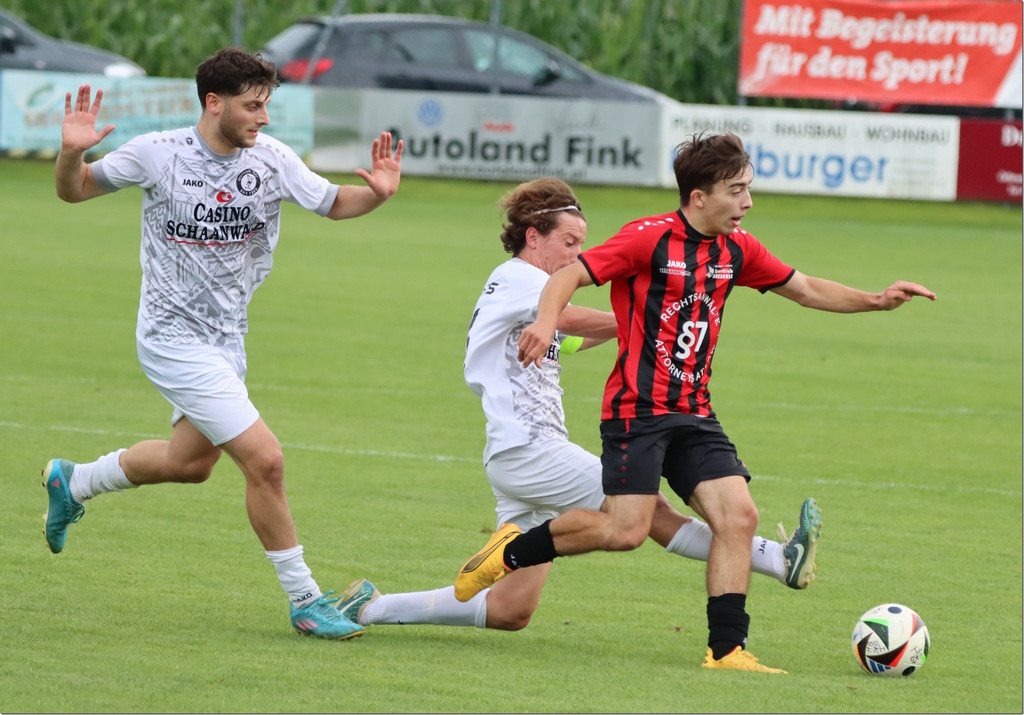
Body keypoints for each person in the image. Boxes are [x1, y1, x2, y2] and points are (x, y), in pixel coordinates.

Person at [454, 133, 936, 673]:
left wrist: (876, 300)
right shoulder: (648, 238)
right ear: (699, 196)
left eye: (748, 189)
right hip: (637, 411)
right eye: (737, 191)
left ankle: (727, 650)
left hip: (695, 411)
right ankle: (509, 553)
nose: (747, 202)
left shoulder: (739, 248)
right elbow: (568, 275)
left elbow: (804, 288)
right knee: (626, 531)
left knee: (740, 516)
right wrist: (547, 322)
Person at [333, 178, 820, 633]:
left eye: (581, 244)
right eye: (569, 242)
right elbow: (569, 316)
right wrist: (647, 315)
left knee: (510, 610)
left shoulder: (528, 296)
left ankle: (372, 607)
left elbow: (571, 337)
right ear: (533, 237)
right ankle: (778, 559)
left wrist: (638, 326)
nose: (577, 255)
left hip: (520, 457)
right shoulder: (520, 278)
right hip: (530, 449)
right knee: (644, 512)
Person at [44, 48, 403, 640]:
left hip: (227, 339)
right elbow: (75, 189)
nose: (264, 117)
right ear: (214, 102)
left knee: (190, 464)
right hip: (171, 339)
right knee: (266, 461)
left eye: (267, 105)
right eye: (253, 106)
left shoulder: (272, 159)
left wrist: (379, 193)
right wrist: (70, 153)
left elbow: (335, 203)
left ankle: (75, 480)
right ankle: (305, 599)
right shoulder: (157, 154)